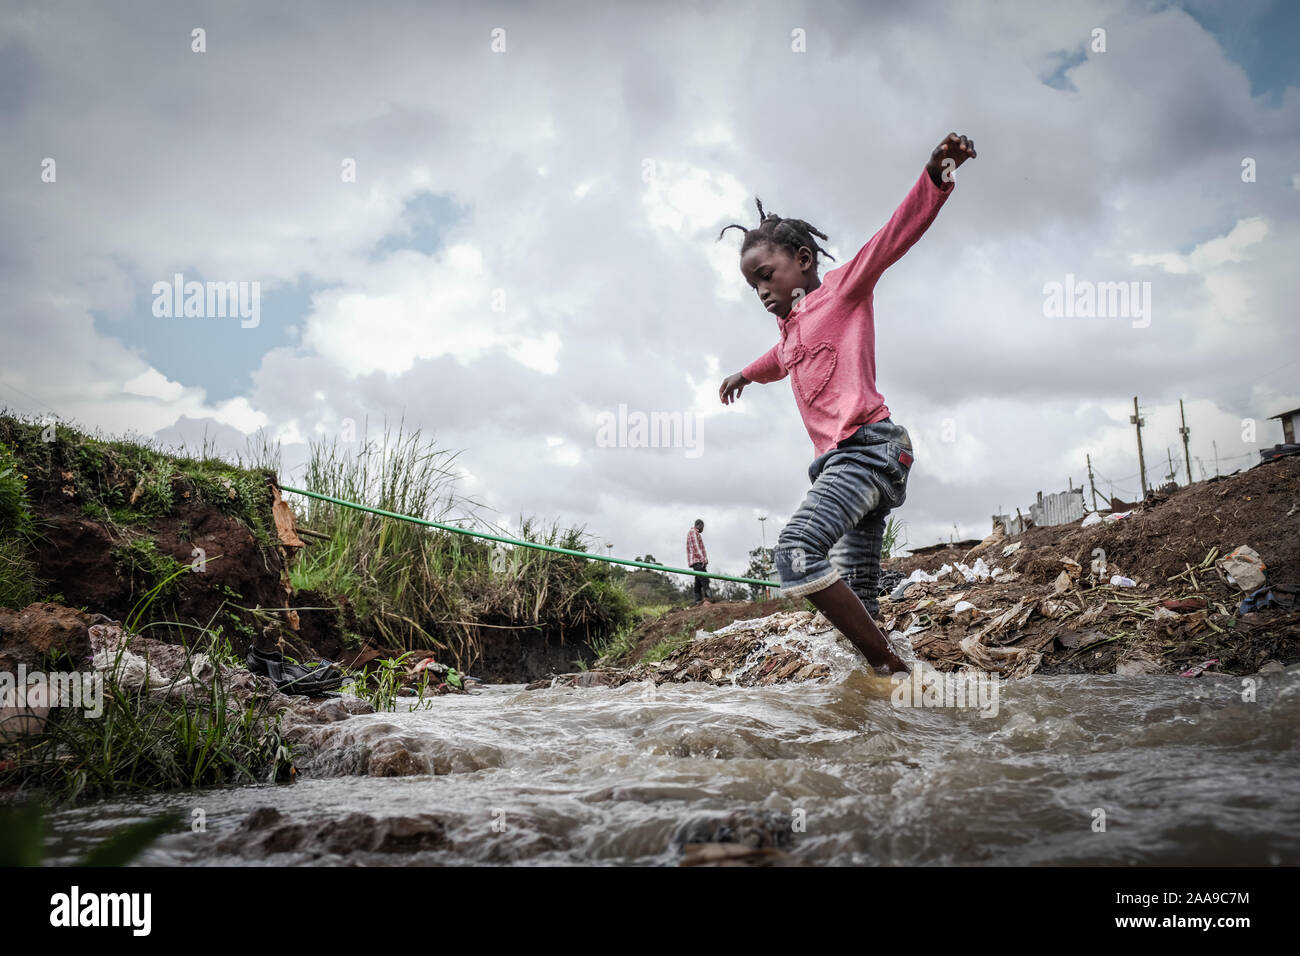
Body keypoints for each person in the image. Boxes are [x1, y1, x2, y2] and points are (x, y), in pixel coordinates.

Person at [718, 133, 976, 675]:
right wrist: (744, 374)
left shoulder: (843, 291)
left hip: (870, 451)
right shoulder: (790, 333)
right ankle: (891, 706)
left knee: (794, 552)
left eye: (767, 276)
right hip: (838, 465)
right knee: (860, 598)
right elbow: (778, 358)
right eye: (752, 286)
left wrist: (936, 176)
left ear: (804, 259)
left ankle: (888, 667)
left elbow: (892, 238)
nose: (762, 291)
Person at [686, 518, 711, 605]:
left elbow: (701, 548)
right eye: (703, 527)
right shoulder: (693, 532)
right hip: (696, 560)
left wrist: (705, 560)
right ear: (699, 525)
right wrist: (703, 559)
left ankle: (698, 600)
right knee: (705, 579)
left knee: (698, 581)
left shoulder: (697, 534)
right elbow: (696, 548)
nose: (703, 529)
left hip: (699, 560)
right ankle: (709, 598)